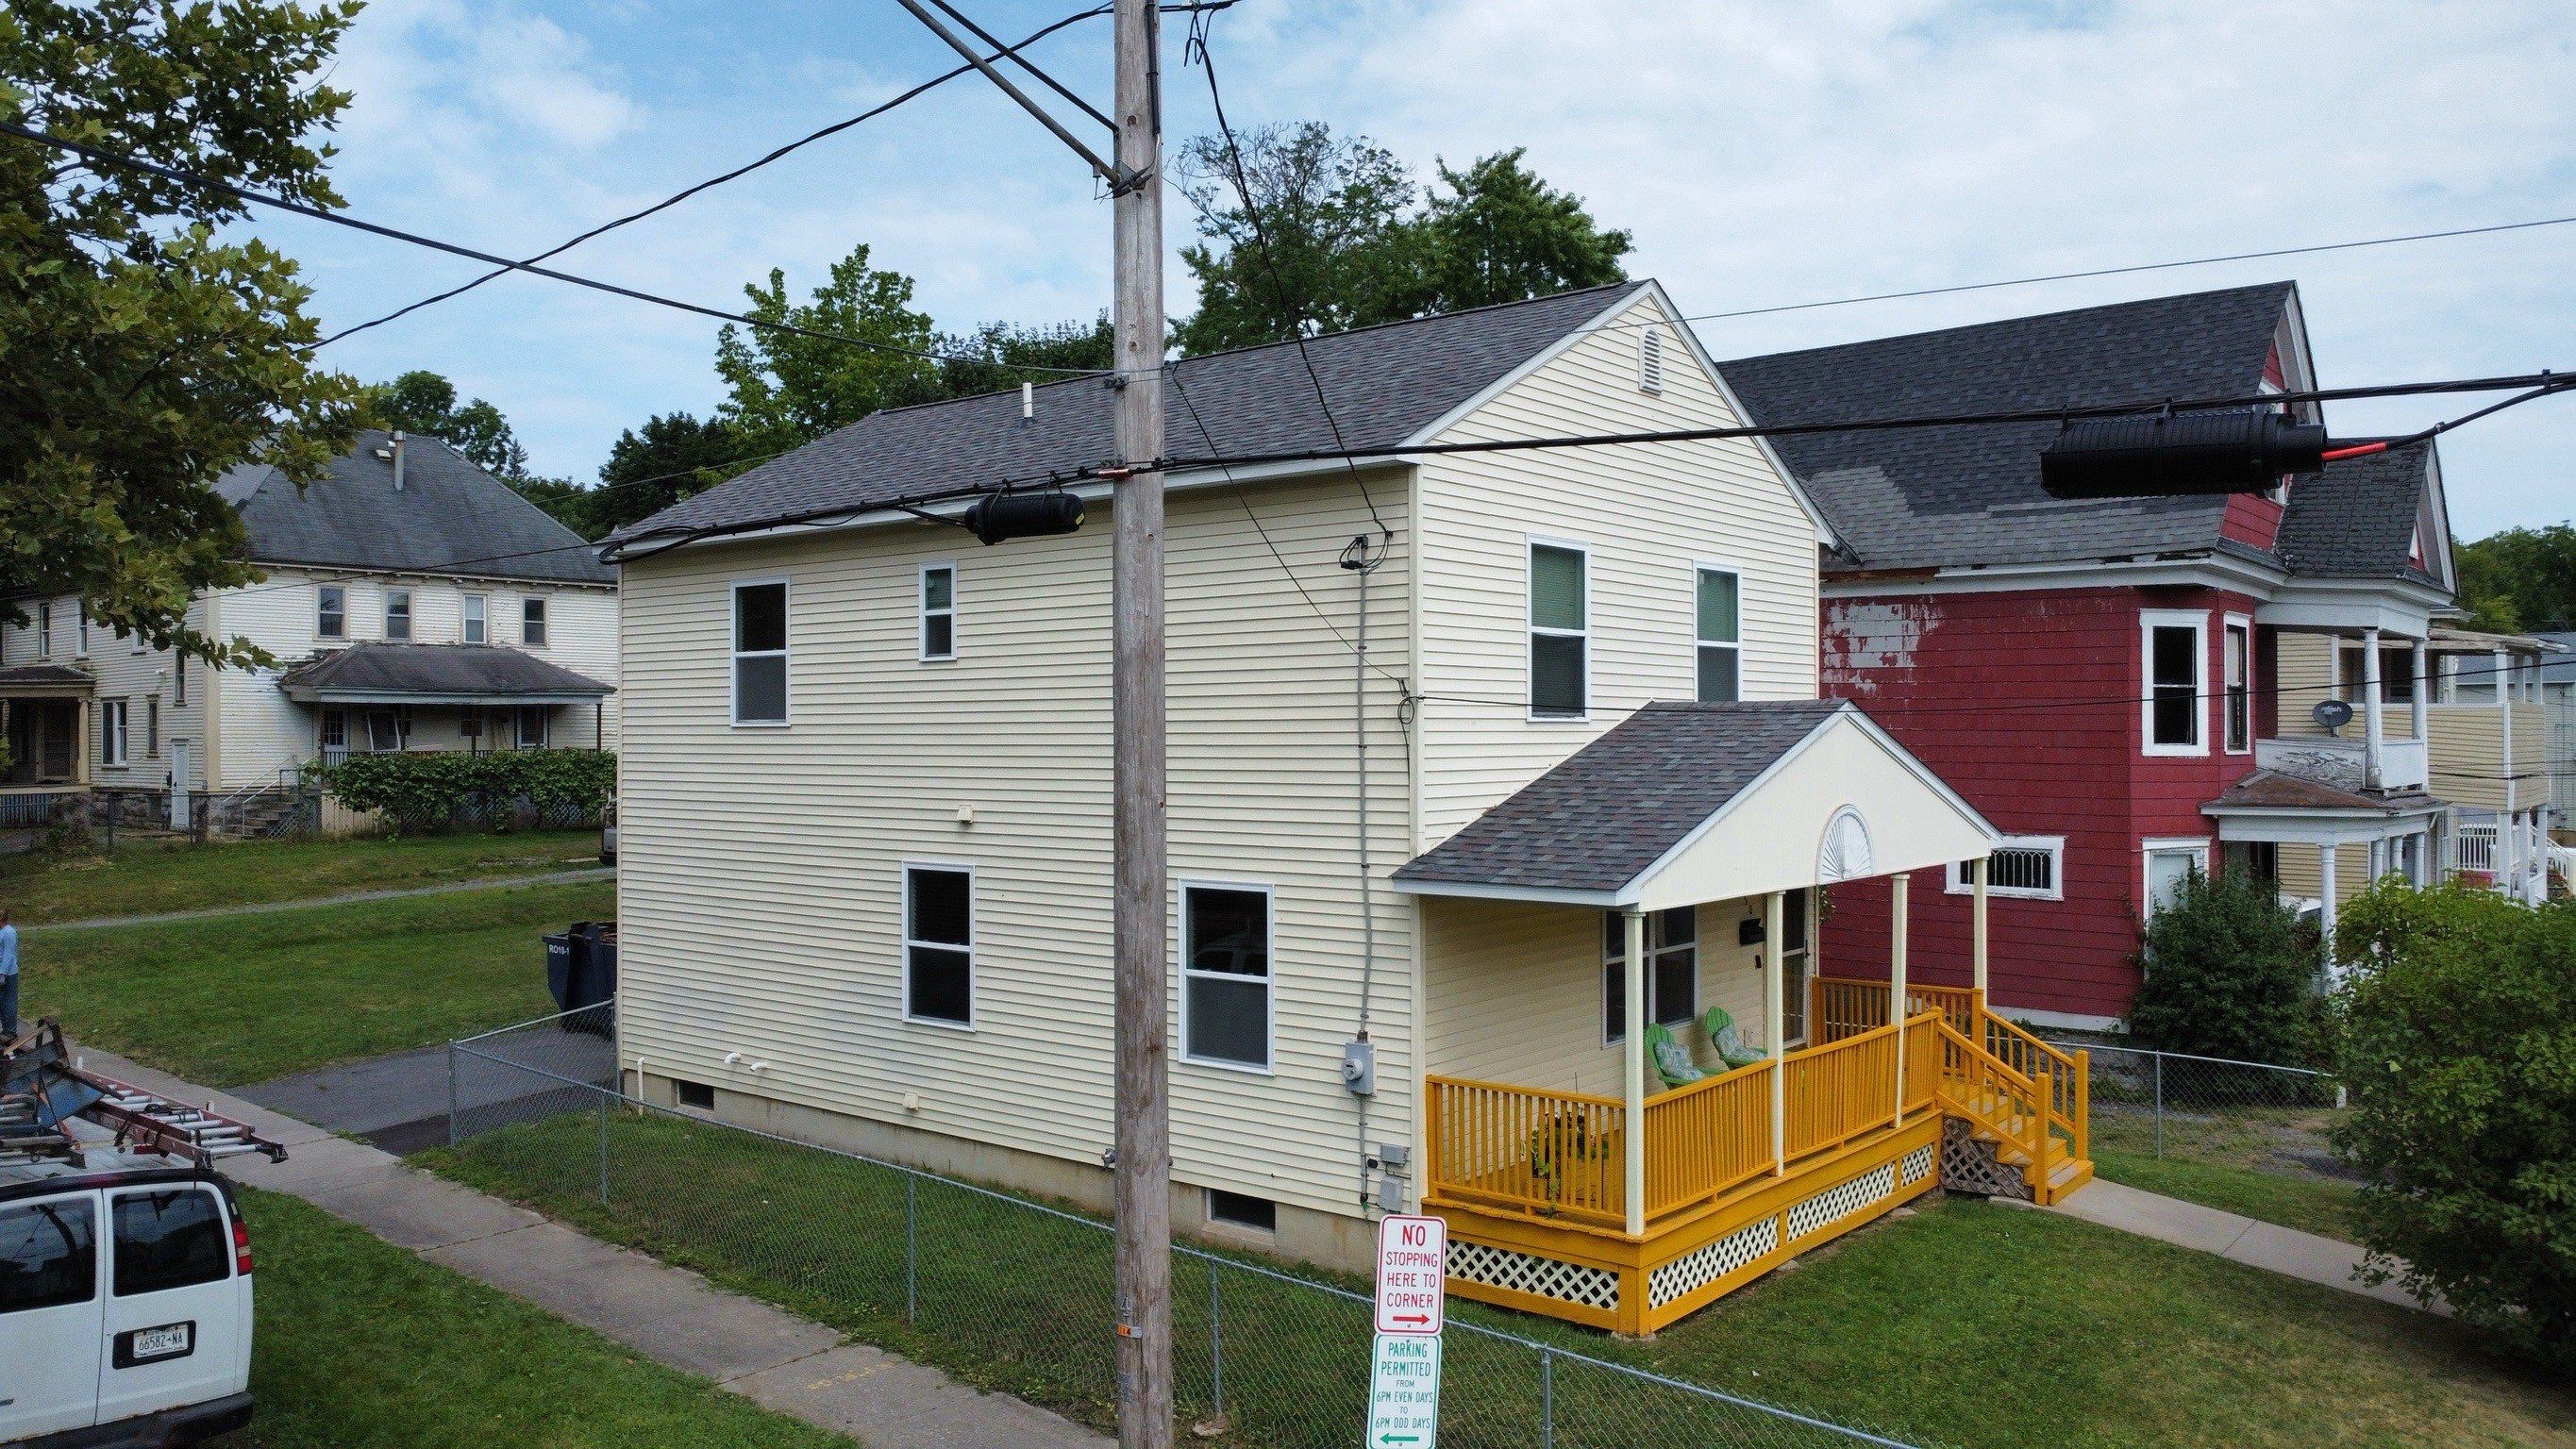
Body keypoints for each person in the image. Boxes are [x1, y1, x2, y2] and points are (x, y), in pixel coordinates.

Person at [0, 908, 15, 1042]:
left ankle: (9, 1031)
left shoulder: (9, 932)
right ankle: (5, 1029)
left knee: (8, 1002)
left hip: (8, 974)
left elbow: (8, 955)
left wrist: (2, 973)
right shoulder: (2, 932)